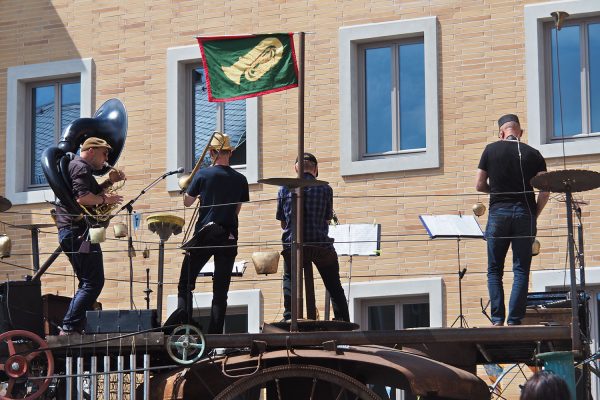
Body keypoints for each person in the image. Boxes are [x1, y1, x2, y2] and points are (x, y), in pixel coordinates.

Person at [167, 132, 249, 334]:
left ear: (212, 152)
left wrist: (189, 190)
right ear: (229, 153)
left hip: (206, 233)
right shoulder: (241, 179)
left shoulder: (203, 175)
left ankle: (184, 327)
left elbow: (188, 203)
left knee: (185, 282)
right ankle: (214, 334)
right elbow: (237, 209)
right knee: (221, 290)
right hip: (229, 235)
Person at [476, 114, 549, 326]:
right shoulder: (534, 154)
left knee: (494, 270)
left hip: (498, 214)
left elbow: (479, 185)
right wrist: (534, 213)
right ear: (520, 133)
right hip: (524, 214)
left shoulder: (490, 150)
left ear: (501, 133)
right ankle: (514, 320)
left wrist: (497, 192)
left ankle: (497, 320)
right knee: (521, 270)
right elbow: (545, 190)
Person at [55, 137, 125, 334]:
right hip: (78, 233)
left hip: (76, 233)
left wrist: (109, 182)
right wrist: (106, 198)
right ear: (92, 150)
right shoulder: (80, 167)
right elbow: (83, 198)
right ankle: (69, 327)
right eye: (105, 153)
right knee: (94, 282)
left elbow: (88, 192)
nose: (106, 158)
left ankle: (73, 326)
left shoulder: (78, 167)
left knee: (88, 281)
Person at [276, 152, 350, 323]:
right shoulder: (325, 189)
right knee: (333, 284)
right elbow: (326, 218)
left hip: (293, 245)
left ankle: (289, 316)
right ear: (316, 169)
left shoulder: (284, 189)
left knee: (290, 278)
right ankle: (342, 319)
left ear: (296, 168)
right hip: (320, 245)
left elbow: (283, 223)